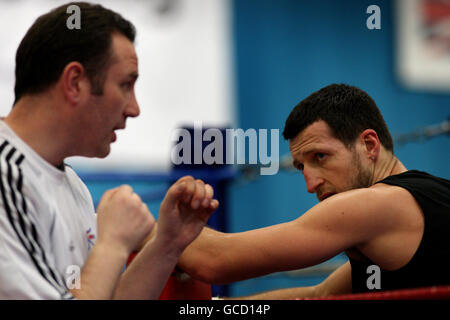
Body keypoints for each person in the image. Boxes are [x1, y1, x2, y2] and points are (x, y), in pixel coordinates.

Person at [0, 2, 218, 299]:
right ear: (75, 82)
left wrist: (167, 244)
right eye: (126, 84)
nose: (134, 109)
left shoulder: (70, 184)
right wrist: (113, 243)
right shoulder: (6, 177)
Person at [176, 83, 450, 299]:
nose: (311, 185)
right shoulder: (423, 198)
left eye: (320, 156)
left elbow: (214, 260)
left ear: (368, 145)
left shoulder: (380, 204)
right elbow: (318, 295)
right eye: (301, 167)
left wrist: (142, 224)